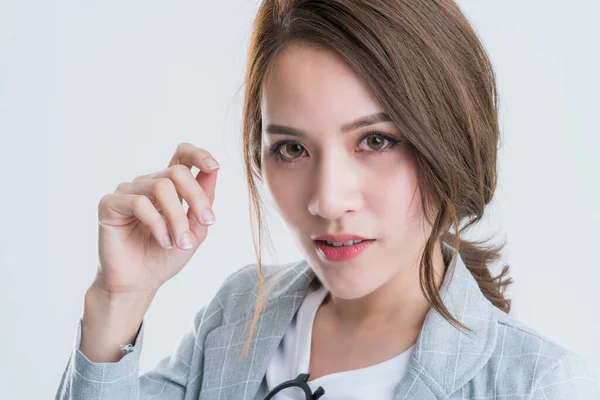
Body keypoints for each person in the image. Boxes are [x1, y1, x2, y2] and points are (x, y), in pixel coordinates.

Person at [55, 0, 599, 399]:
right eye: (291, 148)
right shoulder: (239, 314)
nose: (327, 199)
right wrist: (117, 301)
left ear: (451, 140)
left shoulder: (539, 385)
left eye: (376, 140)